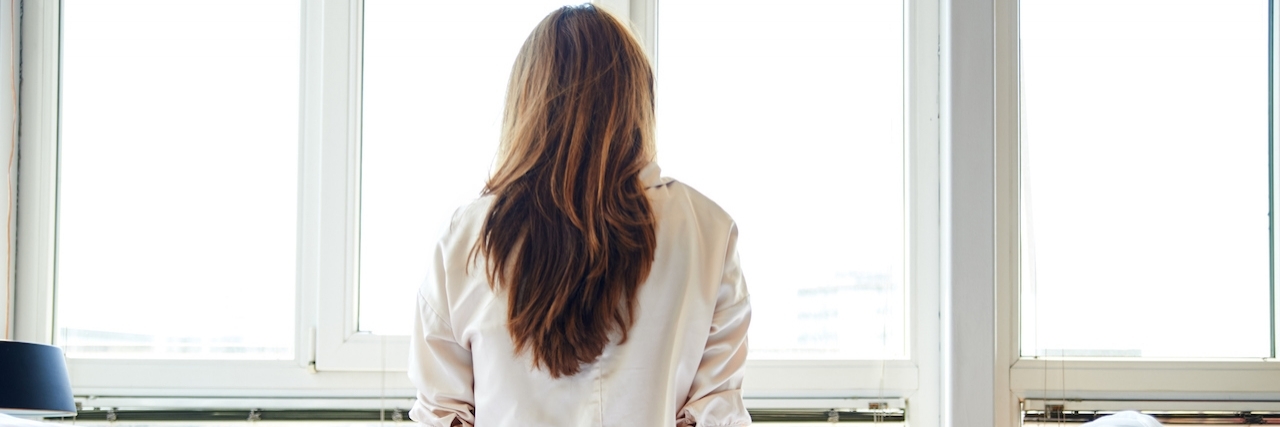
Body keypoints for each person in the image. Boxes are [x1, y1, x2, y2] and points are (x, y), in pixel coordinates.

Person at [406, 4, 752, 427]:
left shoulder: (465, 240)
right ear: (636, 99)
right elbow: (714, 413)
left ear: (527, 102)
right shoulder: (707, 231)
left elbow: (443, 416)